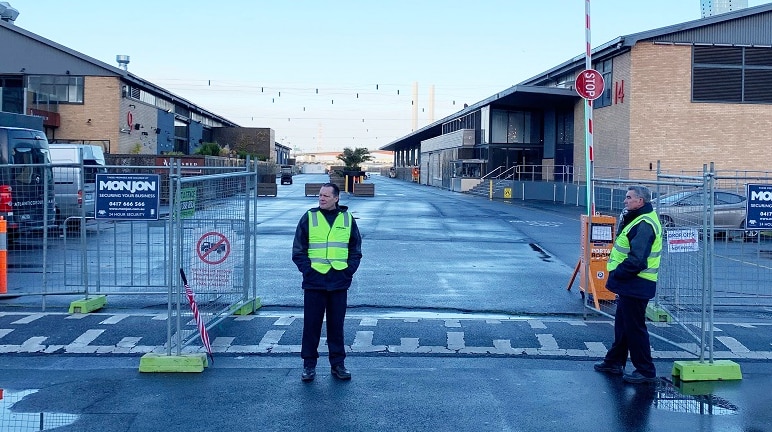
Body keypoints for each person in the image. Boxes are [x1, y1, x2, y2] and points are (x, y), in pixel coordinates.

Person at [292, 182, 362, 382]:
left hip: (339, 281)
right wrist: (308, 270)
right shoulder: (309, 218)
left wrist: (348, 271)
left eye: (326, 196)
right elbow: (298, 249)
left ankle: (338, 364)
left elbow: (355, 249)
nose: (321, 198)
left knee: (336, 326)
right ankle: (309, 365)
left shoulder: (348, 219)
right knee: (311, 325)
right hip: (315, 281)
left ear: (336, 198)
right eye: (320, 195)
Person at [594, 185, 663, 384]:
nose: (625, 201)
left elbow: (637, 260)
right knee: (623, 325)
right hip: (634, 283)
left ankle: (645, 370)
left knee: (634, 328)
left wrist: (618, 273)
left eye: (629, 197)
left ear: (640, 201)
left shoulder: (644, 224)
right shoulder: (640, 219)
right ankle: (614, 361)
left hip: (636, 283)